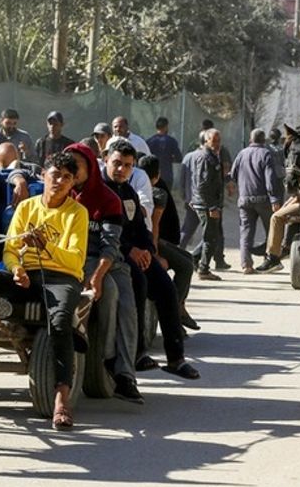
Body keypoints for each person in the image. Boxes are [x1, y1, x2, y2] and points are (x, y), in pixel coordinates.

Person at [0, 152, 89, 430]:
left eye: (66, 177)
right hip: (26, 276)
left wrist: (45, 246)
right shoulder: (26, 208)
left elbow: (75, 260)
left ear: (72, 183)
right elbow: (11, 251)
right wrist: (16, 270)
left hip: (62, 278)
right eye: (54, 175)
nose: (59, 181)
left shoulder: (77, 213)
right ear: (44, 176)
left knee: (59, 322)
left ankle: (62, 397)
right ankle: (4, 310)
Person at [102, 140, 200, 380]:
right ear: (106, 160)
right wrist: (130, 251)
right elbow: (104, 233)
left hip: (137, 253)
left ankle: (176, 358)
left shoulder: (128, 191)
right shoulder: (100, 190)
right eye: (116, 163)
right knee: (138, 285)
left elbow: (140, 228)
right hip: (112, 254)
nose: (121, 169)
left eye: (127, 166)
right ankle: (135, 354)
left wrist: (146, 249)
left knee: (166, 289)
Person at [64, 142, 142, 403]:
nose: (72, 171)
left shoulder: (109, 199)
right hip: (68, 259)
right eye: (68, 164)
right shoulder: (59, 192)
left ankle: (122, 372)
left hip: (107, 260)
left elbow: (111, 246)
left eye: (78, 165)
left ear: (90, 167)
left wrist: (96, 275)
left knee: (123, 301)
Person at [138, 154, 199, 330]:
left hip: (160, 240)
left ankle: (179, 306)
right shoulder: (150, 191)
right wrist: (155, 254)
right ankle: (173, 312)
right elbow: (154, 226)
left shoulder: (158, 189)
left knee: (188, 258)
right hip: (150, 242)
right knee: (185, 266)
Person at [228, 129, 282, 274]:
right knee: (270, 230)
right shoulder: (266, 154)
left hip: (244, 199)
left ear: (251, 140)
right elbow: (270, 178)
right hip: (263, 200)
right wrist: (274, 199)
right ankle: (269, 259)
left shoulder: (242, 153)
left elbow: (233, 174)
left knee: (246, 232)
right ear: (264, 141)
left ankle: (246, 265)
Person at [189, 128, 225, 280]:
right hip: (206, 204)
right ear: (206, 140)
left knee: (211, 235)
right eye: (214, 140)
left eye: (218, 141)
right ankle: (203, 269)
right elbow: (203, 185)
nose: (217, 144)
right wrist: (211, 206)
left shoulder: (212, 156)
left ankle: (193, 260)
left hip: (206, 202)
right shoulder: (205, 157)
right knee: (211, 238)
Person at [146, 116, 183, 189]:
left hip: (152, 176)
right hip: (167, 176)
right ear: (166, 126)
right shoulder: (171, 141)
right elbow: (179, 158)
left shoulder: (149, 141)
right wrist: (170, 159)